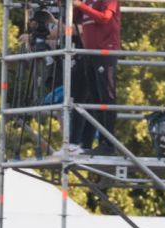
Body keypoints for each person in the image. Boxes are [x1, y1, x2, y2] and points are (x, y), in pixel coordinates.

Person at [69, 0, 120, 155]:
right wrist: (72, 6)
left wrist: (80, 6)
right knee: (95, 98)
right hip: (89, 53)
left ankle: (108, 143)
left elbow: (105, 17)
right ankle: (100, 143)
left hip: (105, 51)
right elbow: (74, 18)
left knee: (107, 97)